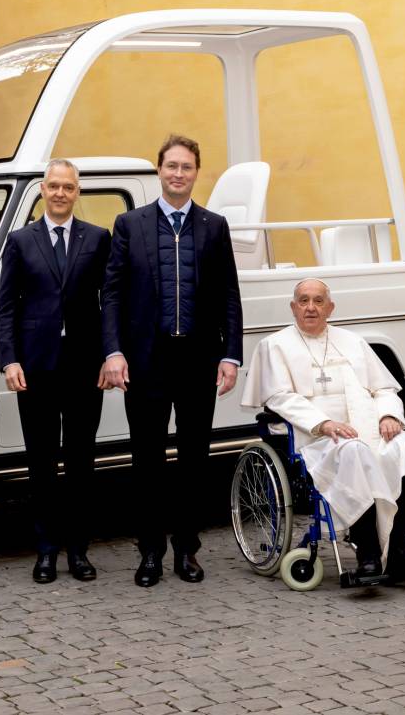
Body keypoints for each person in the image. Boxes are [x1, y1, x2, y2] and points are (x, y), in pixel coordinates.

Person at [101, 134, 243, 587]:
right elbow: (113, 295)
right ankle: (150, 553)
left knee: (194, 460)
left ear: (196, 173)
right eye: (171, 166)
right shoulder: (130, 225)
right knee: (146, 461)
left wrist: (231, 354)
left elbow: (228, 297)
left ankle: (187, 550)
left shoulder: (213, 226)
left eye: (186, 167)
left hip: (198, 360)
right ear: (159, 171)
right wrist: (114, 350)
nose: (178, 173)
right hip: (146, 361)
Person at [243, 278, 405, 583]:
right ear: (293, 307)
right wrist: (324, 424)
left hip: (367, 429)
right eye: (303, 301)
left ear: (330, 307)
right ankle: (367, 552)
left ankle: (399, 552)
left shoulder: (353, 342)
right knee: (354, 451)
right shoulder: (275, 346)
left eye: (318, 301)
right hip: (317, 439)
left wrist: (388, 416)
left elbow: (383, 387)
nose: (310, 308)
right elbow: (279, 397)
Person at [0, 159, 112, 584]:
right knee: (41, 463)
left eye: (69, 187)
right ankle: (45, 552)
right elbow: (6, 306)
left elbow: (109, 303)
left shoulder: (98, 239)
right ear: (42, 190)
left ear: (77, 192)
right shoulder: (20, 241)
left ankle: (79, 551)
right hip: (36, 368)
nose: (61, 193)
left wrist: (109, 354)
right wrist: (10, 360)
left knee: (81, 462)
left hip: (84, 368)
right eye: (54, 186)